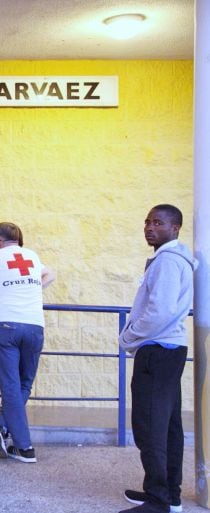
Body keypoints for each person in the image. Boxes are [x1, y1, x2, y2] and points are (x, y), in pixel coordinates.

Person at [118, 205, 195, 513]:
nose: (150, 227)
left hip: (158, 349)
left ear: (175, 228)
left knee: (149, 425)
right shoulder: (176, 259)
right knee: (167, 425)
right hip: (170, 350)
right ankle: (169, 495)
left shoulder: (167, 261)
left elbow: (159, 311)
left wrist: (128, 336)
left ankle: (158, 500)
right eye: (147, 222)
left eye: (158, 223)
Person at [0, 222, 55, 463]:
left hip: (5, 326)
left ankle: (25, 448)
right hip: (34, 326)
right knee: (24, 382)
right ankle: (1, 429)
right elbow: (49, 273)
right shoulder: (31, 255)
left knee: (10, 384)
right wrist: (34, 289)